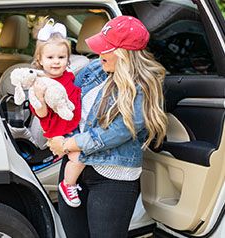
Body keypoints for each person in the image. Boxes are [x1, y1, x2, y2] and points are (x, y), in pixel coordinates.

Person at [48, 15, 168, 238]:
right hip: (75, 166)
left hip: (112, 176)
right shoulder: (94, 69)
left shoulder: (144, 86)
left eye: (106, 49)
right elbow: (67, 101)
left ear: (125, 54)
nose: (99, 53)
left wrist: (69, 143)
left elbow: (118, 132)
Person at [30, 19, 87, 207]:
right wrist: (39, 97)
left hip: (72, 124)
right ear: (39, 60)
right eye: (50, 58)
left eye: (61, 58)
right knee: (80, 158)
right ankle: (68, 184)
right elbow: (42, 114)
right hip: (59, 130)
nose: (56, 62)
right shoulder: (40, 83)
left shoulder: (69, 75)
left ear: (68, 60)